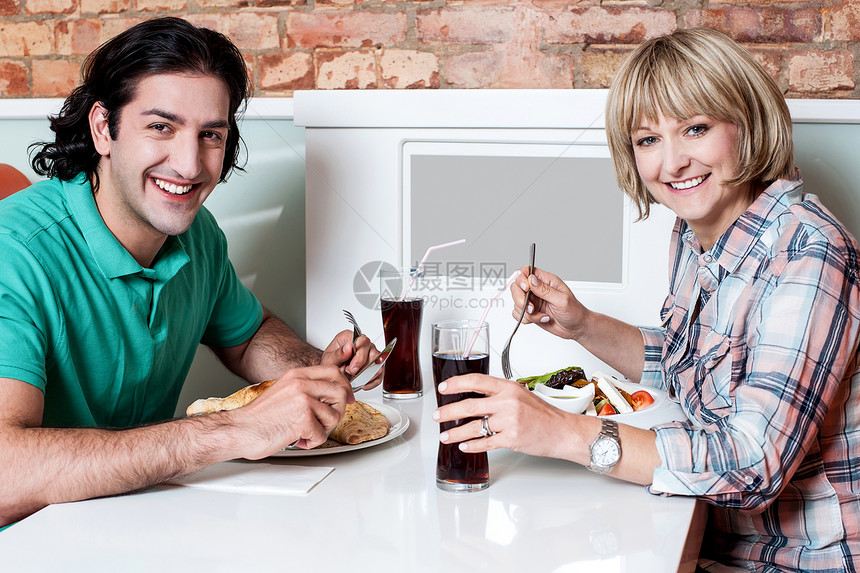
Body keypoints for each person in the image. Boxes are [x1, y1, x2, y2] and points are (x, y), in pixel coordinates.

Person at [434, 27, 860, 571]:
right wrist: (582, 324)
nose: (673, 163)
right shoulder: (699, 231)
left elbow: (754, 465)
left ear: (748, 125)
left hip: (787, 561)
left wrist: (562, 431)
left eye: (696, 129)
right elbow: (692, 360)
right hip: (707, 534)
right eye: (648, 140)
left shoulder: (809, 253)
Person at [0, 17, 381, 528]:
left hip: (136, 520)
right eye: (161, 126)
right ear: (102, 129)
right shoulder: (15, 253)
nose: (189, 164)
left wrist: (314, 372)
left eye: (211, 135)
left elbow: (246, 337)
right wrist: (235, 431)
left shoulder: (197, 233)